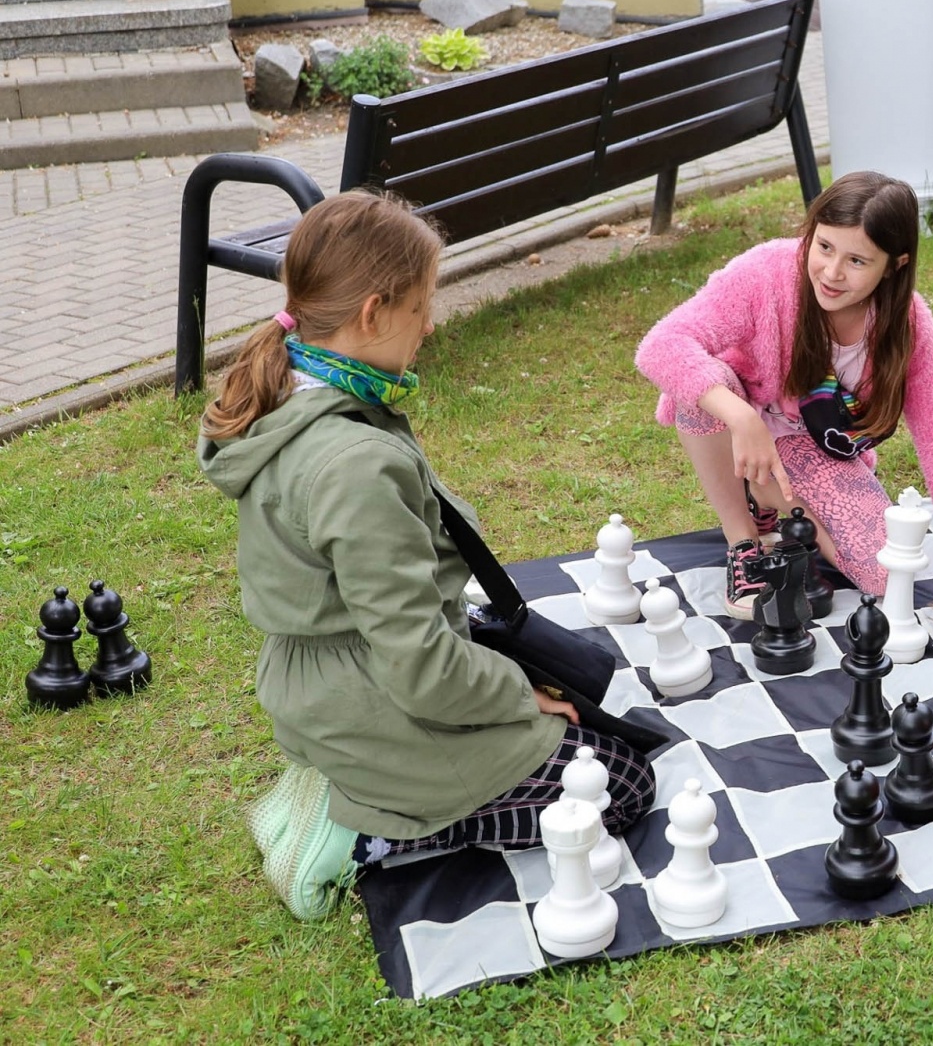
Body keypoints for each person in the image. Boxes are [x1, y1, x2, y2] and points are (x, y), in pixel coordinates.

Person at [197, 192, 654, 919]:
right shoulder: (353, 464)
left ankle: (351, 783)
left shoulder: (299, 389)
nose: (431, 324)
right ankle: (359, 832)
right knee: (623, 786)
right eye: (421, 305)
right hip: (377, 697)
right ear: (372, 312)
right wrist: (514, 698)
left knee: (585, 713)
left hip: (340, 674)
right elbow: (418, 664)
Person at [635, 170, 933, 619]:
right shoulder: (766, 272)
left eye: (857, 261)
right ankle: (742, 541)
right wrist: (743, 419)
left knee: (883, 572)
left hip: (811, 443)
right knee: (699, 384)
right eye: (824, 247)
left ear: (895, 265)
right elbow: (661, 345)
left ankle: (763, 495)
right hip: (731, 425)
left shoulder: (908, 323)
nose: (832, 273)